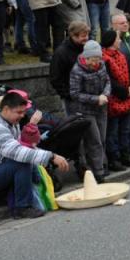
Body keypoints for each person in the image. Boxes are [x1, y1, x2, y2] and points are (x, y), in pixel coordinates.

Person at [0, 89, 70, 218]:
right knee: (22, 163)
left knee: (26, 162)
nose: (22, 116)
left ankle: (3, 195)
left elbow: (22, 146)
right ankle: (22, 208)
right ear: (6, 109)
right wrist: (51, 156)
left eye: (24, 112)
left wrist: (48, 156)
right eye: (19, 112)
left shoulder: (9, 121)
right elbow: (18, 152)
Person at [48, 21, 107, 179]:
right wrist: (69, 95)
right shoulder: (62, 53)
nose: (86, 38)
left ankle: (96, 165)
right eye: (82, 36)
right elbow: (55, 78)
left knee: (95, 136)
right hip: (73, 100)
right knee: (79, 136)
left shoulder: (89, 48)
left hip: (92, 100)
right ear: (73, 36)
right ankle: (82, 166)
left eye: (87, 35)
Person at [68, 40, 111, 176]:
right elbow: (75, 94)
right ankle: (97, 171)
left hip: (101, 108)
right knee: (94, 140)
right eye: (92, 60)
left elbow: (107, 81)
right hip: (86, 111)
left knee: (102, 138)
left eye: (98, 59)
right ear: (85, 57)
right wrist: (96, 99)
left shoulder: (101, 65)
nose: (95, 63)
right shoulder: (77, 70)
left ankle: (101, 165)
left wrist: (105, 94)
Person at [101, 30, 130, 172]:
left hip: (126, 98)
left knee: (125, 130)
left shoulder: (121, 55)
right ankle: (114, 159)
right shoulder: (104, 59)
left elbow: (128, 74)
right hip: (114, 100)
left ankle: (125, 156)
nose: (120, 40)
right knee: (113, 132)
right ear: (112, 41)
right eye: (117, 38)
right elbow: (109, 80)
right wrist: (124, 91)